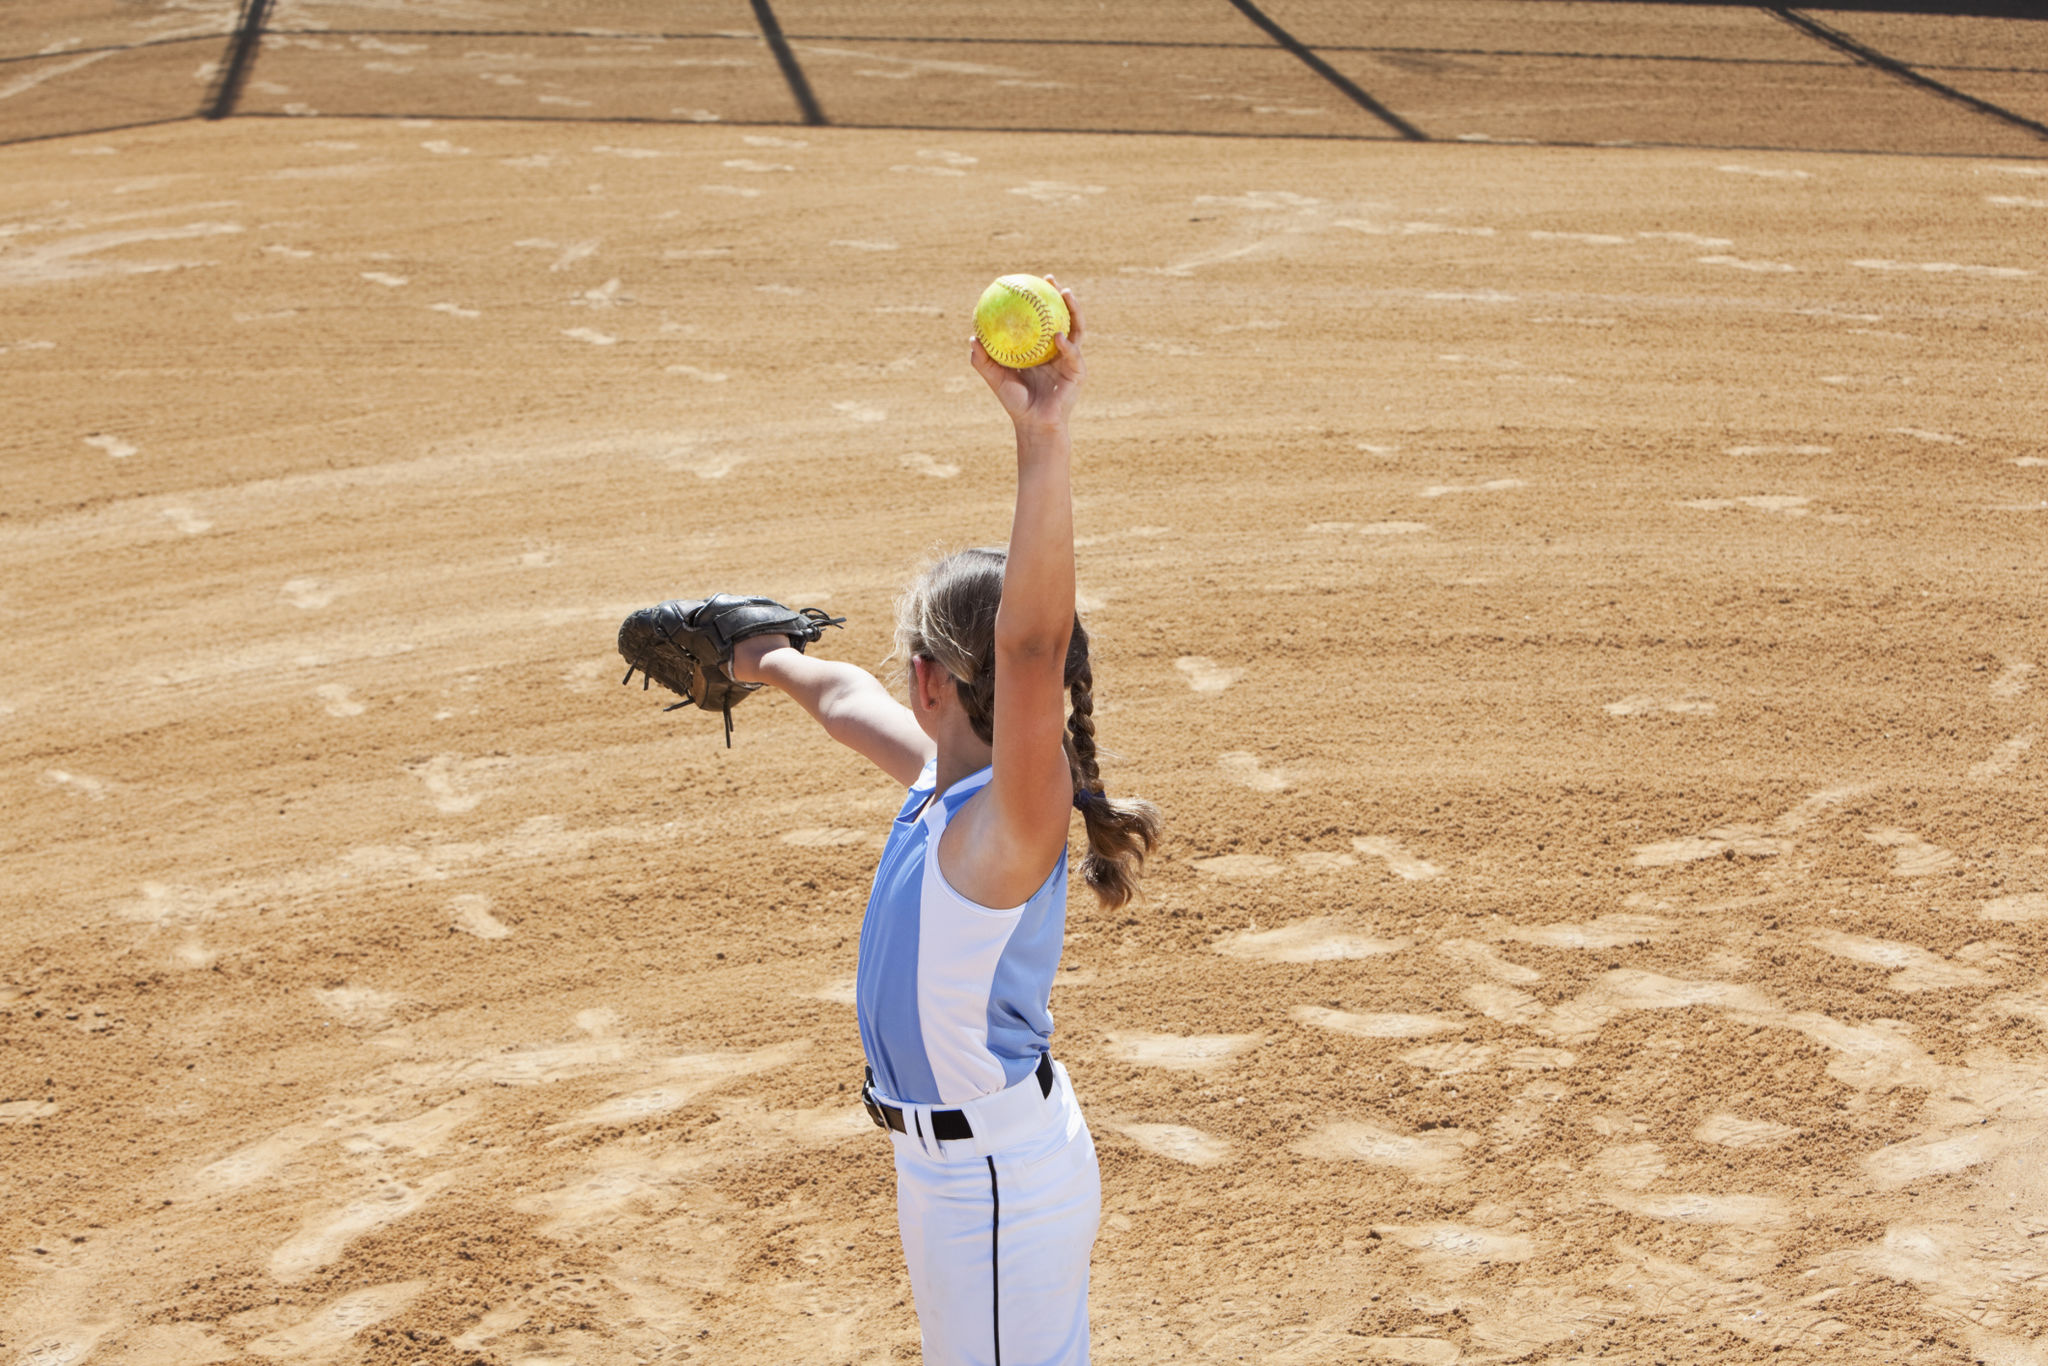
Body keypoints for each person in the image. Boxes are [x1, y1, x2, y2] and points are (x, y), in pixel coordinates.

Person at [730, 278, 1159, 1365]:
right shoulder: (941, 782)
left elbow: (1027, 648)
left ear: (926, 674)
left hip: (992, 1181)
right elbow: (838, 700)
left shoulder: (1011, 825)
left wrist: (1041, 434)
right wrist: (764, 658)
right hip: (953, 1173)